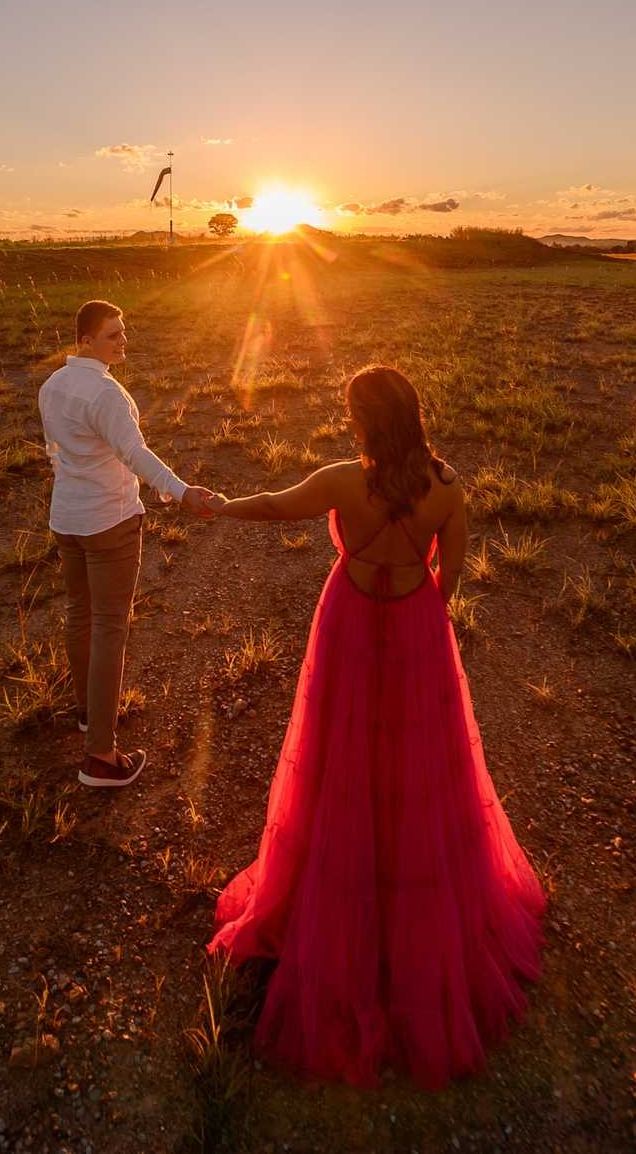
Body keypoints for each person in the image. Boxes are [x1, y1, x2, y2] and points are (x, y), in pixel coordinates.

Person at [201, 365, 545, 1090]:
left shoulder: (341, 481)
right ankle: (409, 908)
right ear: (412, 415)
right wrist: (421, 618)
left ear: (364, 421)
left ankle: (338, 902)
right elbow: (452, 578)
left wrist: (222, 506)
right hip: (417, 621)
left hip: (350, 622)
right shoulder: (447, 486)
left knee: (339, 755)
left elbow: (275, 506)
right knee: (418, 763)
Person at [38, 298, 214, 790]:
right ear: (86, 339)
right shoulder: (107, 394)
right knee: (108, 628)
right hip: (108, 522)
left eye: (123, 331)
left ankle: (87, 713)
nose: (123, 341)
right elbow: (134, 453)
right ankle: (100, 756)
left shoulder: (52, 385)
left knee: (80, 614)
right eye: (112, 334)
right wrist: (181, 491)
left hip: (66, 518)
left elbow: (54, 452)